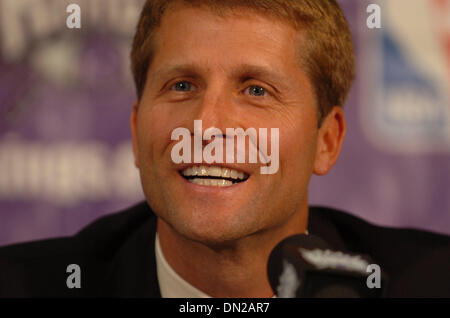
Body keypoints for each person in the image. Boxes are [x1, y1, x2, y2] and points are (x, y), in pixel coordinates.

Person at [0, 0, 449, 298]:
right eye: (181, 85)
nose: (207, 125)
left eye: (256, 90)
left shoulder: (427, 283)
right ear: (137, 131)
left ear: (326, 141)